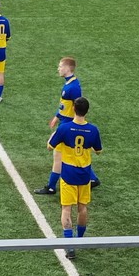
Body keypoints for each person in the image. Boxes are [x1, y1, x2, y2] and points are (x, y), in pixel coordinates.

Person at [46, 96, 102, 259]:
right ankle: (79, 240)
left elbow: (50, 147)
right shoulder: (93, 130)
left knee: (66, 209)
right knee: (82, 207)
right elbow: (98, 151)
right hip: (84, 174)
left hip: (68, 174)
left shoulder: (65, 128)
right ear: (87, 111)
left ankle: (70, 247)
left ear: (74, 110)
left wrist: (54, 137)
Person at [34, 57, 82, 195]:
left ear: (67, 68)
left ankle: (51, 186)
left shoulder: (73, 88)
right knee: (72, 155)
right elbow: (65, 106)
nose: (58, 69)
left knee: (58, 155)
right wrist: (57, 116)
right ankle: (93, 179)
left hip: (67, 126)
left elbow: (77, 109)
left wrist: (69, 127)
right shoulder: (69, 84)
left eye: (60, 66)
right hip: (65, 123)